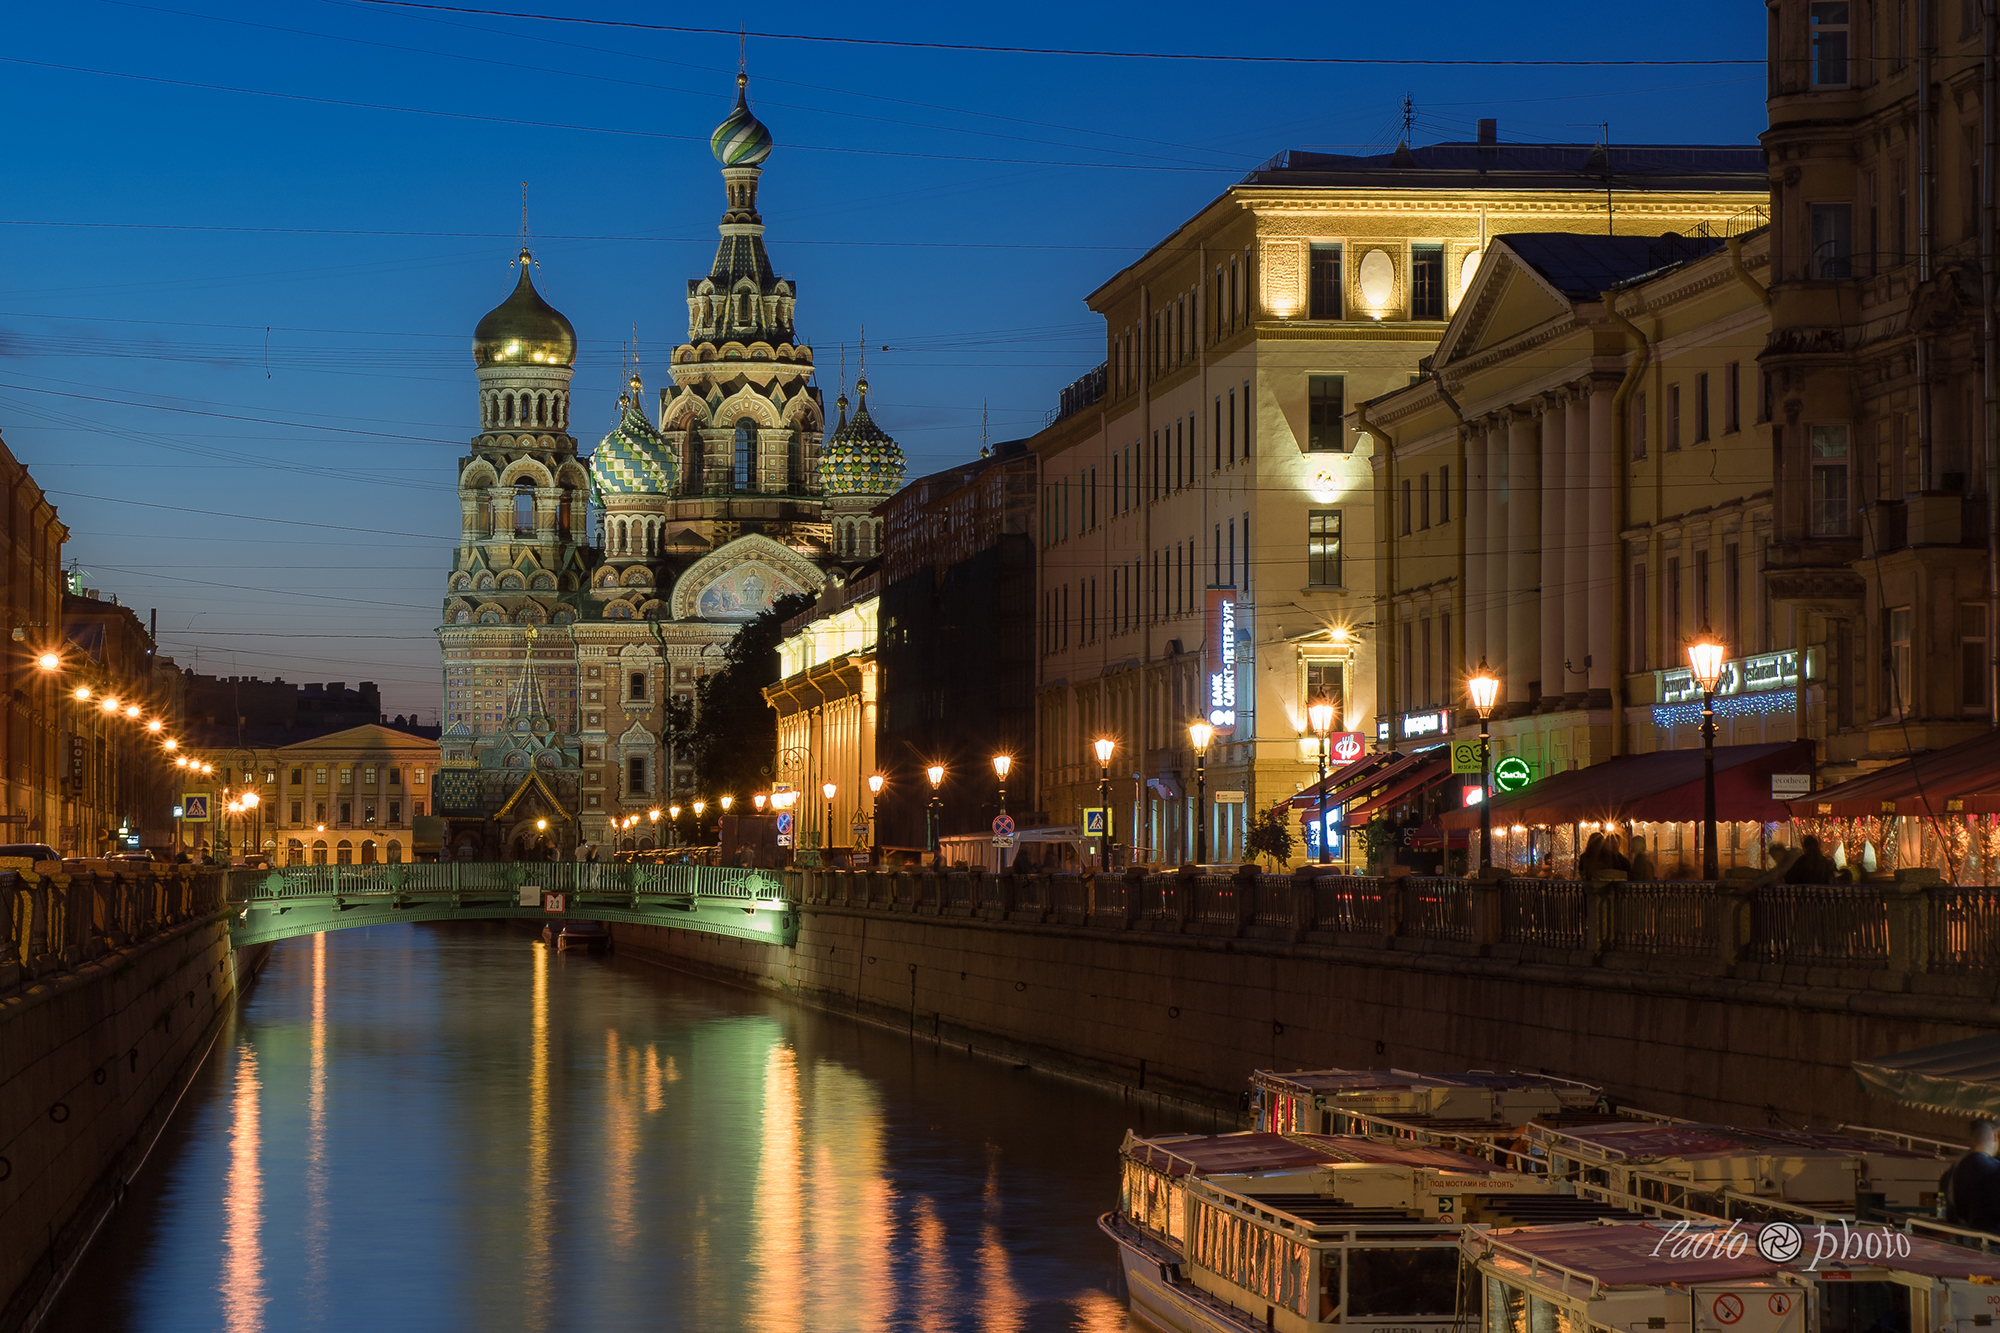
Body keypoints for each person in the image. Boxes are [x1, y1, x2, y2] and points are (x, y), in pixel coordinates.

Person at [1944, 1121, 2000, 1233]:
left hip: (1971, 1232)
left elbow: (1956, 1204)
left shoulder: (1960, 1166)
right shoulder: (1995, 1168)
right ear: (1994, 1137)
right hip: (1994, 1237)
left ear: (1973, 1141)